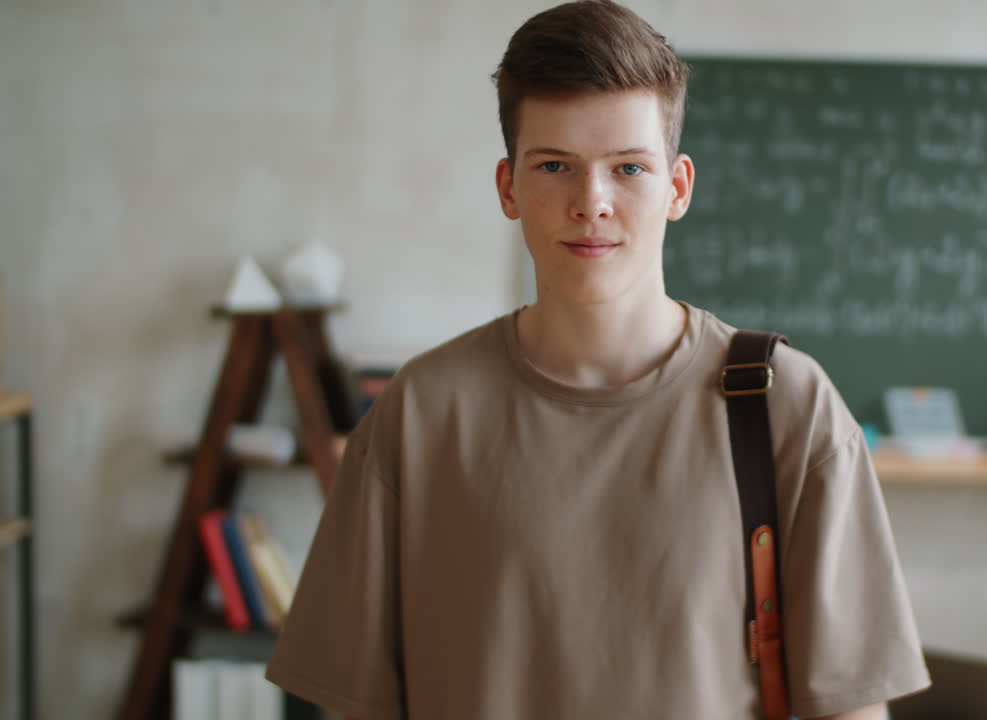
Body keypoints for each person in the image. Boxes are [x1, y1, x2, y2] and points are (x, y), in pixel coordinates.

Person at [264, 1, 930, 718]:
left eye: (629, 168)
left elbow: (853, 711)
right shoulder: (420, 413)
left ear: (677, 188)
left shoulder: (785, 407)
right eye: (555, 164)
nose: (592, 202)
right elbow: (354, 705)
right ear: (508, 187)